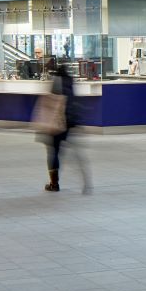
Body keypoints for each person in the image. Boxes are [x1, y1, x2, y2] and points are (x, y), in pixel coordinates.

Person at [39, 57, 88, 193]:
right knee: (67, 152)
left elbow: (51, 101)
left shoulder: (55, 81)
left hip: (56, 122)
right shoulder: (71, 81)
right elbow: (73, 101)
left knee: (54, 152)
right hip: (69, 121)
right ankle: (84, 181)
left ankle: (54, 183)